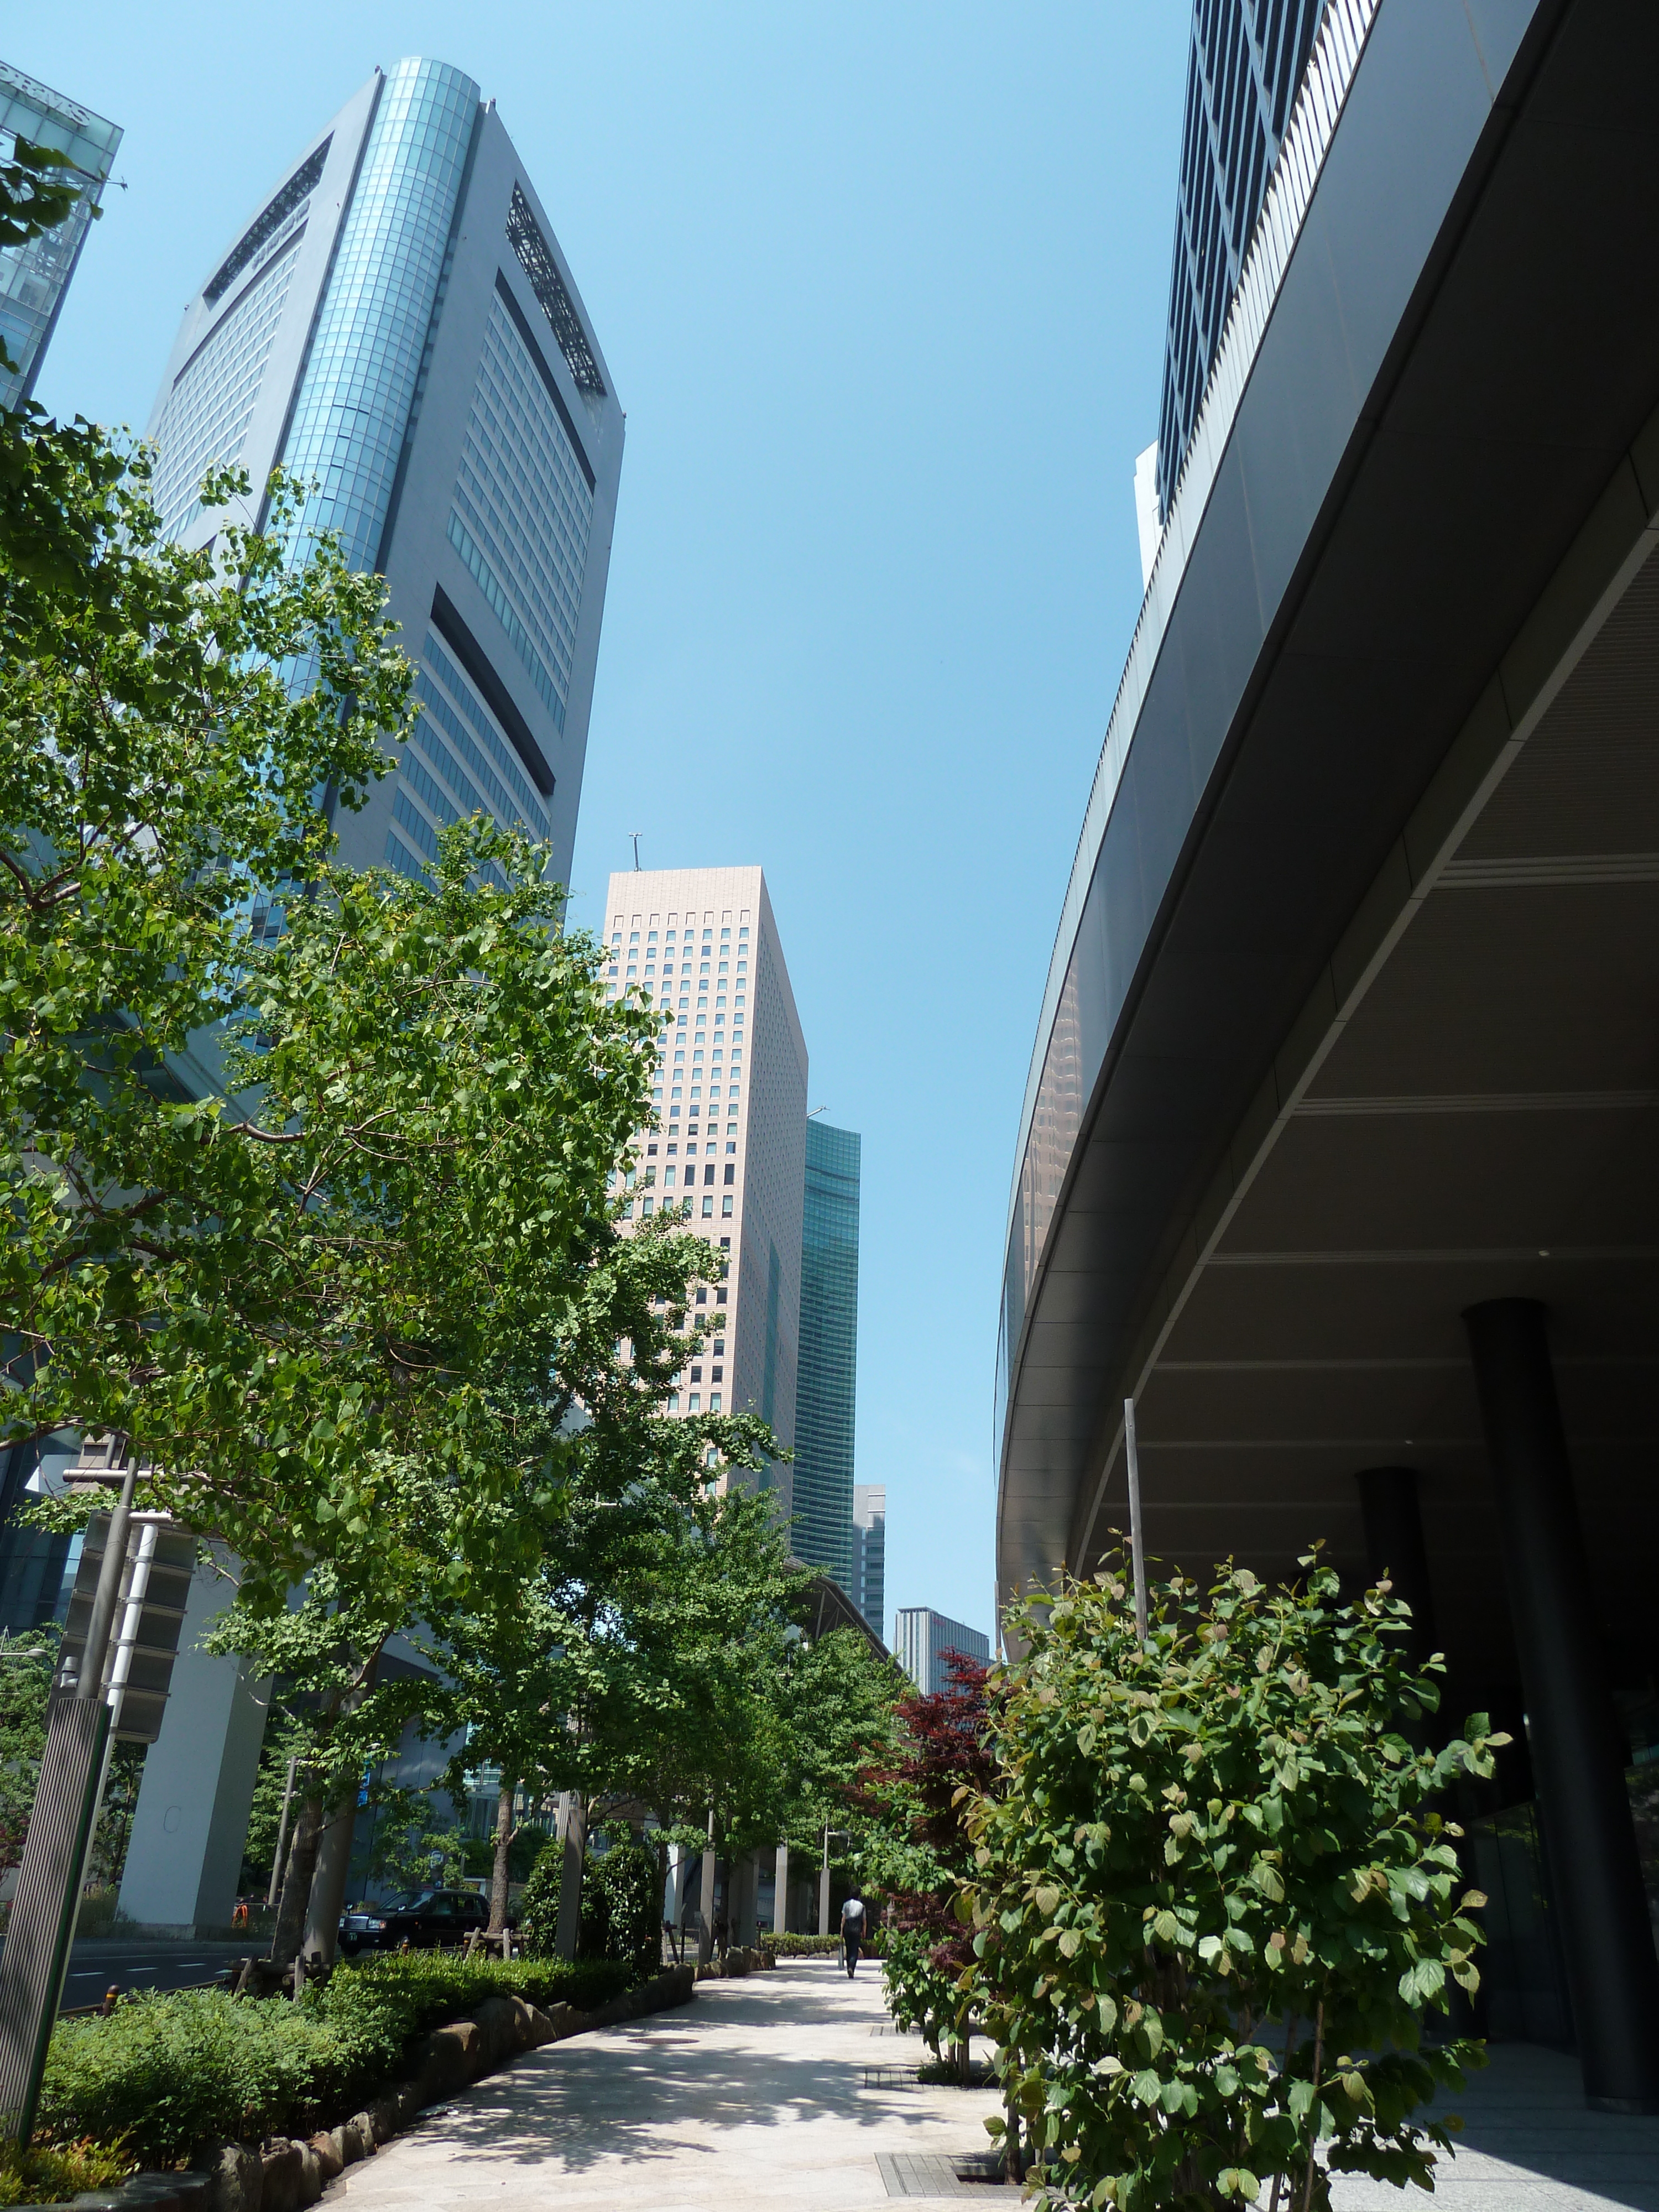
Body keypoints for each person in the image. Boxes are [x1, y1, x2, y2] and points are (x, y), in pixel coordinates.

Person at [839, 1893, 867, 1979]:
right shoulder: (862, 1906)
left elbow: (843, 1919)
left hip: (847, 1929)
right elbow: (864, 1921)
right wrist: (864, 1932)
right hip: (857, 1929)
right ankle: (851, 1967)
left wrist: (841, 1931)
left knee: (849, 1949)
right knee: (855, 1950)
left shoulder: (846, 1904)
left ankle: (849, 1967)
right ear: (858, 1895)